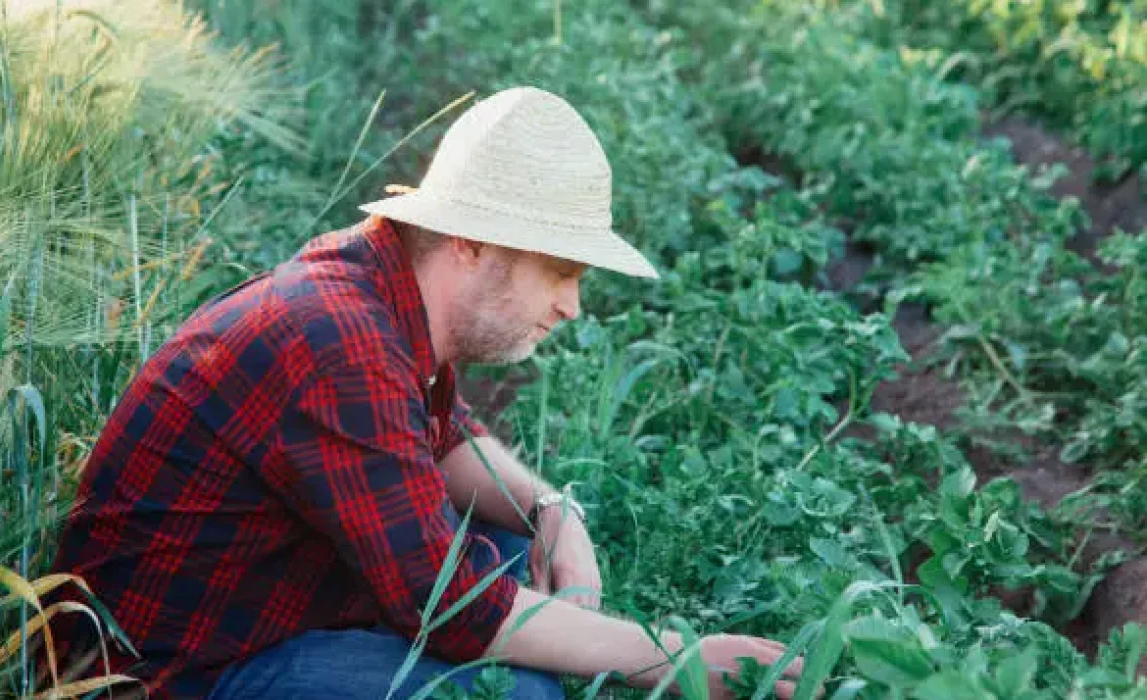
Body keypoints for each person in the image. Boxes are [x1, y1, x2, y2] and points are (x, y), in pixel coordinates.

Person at [48, 86, 806, 699]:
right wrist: (677, 658)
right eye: (564, 272)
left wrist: (555, 513)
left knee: (512, 549)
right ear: (473, 245)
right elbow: (455, 611)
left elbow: (442, 437)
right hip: (167, 674)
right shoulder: (340, 344)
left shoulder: (381, 288)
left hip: (256, 599)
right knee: (517, 694)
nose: (574, 305)